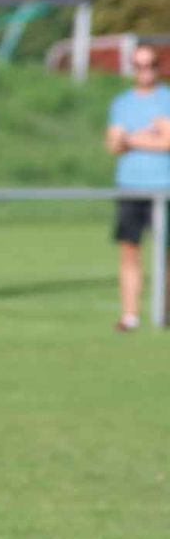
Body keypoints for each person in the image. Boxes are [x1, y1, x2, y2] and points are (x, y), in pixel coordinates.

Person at [104, 44, 170, 332]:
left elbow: (167, 142)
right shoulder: (121, 103)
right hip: (130, 186)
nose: (145, 71)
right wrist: (145, 136)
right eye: (139, 65)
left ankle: (166, 312)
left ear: (159, 67)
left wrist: (131, 138)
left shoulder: (167, 99)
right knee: (129, 250)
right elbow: (113, 145)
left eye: (151, 65)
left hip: (164, 187)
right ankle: (130, 315)